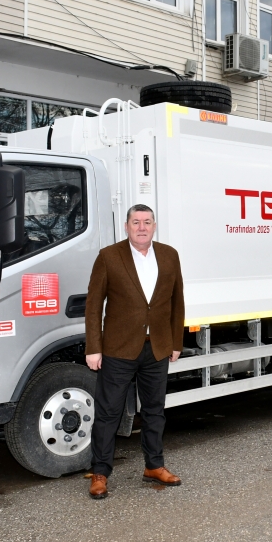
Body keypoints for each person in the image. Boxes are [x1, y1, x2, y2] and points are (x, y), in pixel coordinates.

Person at [85, 204, 185, 499]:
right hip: (118, 349)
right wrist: (94, 348)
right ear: (127, 226)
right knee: (108, 413)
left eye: (147, 222)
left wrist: (176, 342)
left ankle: (154, 466)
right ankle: (100, 472)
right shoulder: (109, 256)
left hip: (157, 348)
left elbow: (177, 301)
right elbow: (93, 305)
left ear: (154, 226)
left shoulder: (169, 255)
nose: (142, 227)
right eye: (136, 222)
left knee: (154, 411)